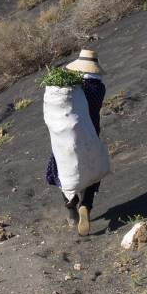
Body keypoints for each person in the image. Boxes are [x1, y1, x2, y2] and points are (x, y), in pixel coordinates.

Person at [45, 49, 106, 236]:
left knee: (63, 165)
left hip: (67, 136)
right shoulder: (99, 87)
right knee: (92, 168)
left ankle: (70, 205)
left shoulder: (74, 88)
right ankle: (86, 205)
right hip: (91, 134)